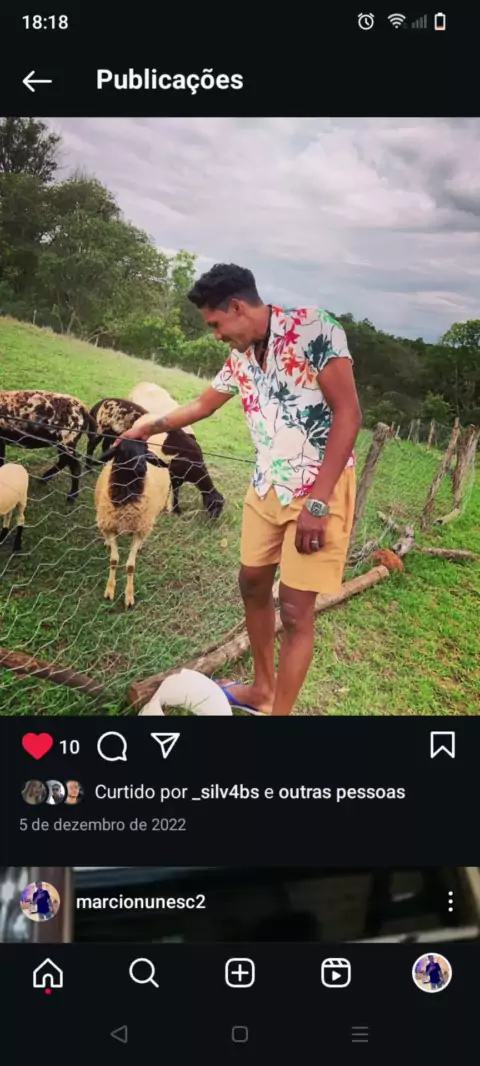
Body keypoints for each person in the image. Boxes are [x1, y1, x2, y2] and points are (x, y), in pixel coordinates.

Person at [118, 263, 362, 716]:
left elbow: (349, 414)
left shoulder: (315, 329)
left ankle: (278, 717)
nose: (215, 335)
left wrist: (318, 503)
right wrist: (148, 426)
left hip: (317, 491)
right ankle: (262, 689)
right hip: (266, 484)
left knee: (295, 611)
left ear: (236, 307)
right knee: (251, 582)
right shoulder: (243, 356)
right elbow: (202, 404)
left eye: (215, 324)